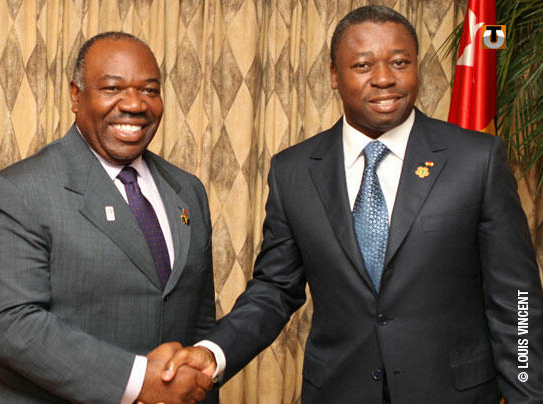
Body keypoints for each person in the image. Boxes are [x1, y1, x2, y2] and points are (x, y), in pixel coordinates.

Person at [163, 6, 543, 404]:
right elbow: (274, 289)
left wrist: (528, 395)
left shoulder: (476, 159)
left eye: (400, 62)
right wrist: (214, 353)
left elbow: (516, 299)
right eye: (363, 65)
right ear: (334, 75)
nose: (384, 78)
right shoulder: (293, 171)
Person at [0, 32, 217, 404]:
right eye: (112, 88)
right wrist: (138, 381)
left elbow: (199, 320)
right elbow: (11, 324)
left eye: (149, 90)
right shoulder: (16, 191)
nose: (134, 104)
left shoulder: (187, 191)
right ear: (76, 96)